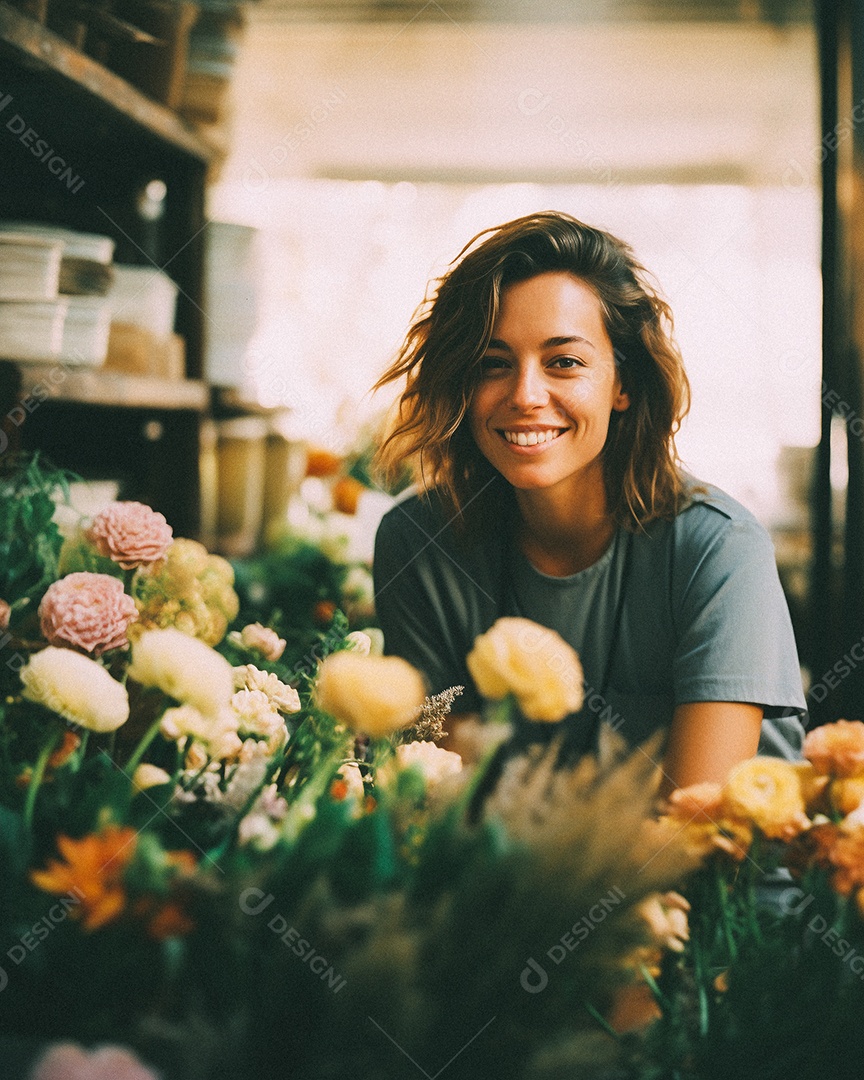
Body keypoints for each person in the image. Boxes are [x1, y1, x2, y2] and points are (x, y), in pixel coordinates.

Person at [372, 211, 806, 791]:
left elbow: (698, 829)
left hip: (706, 880)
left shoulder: (718, 549)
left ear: (622, 384)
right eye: (494, 364)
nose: (526, 395)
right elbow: (444, 797)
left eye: (564, 362)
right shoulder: (418, 542)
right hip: (499, 880)